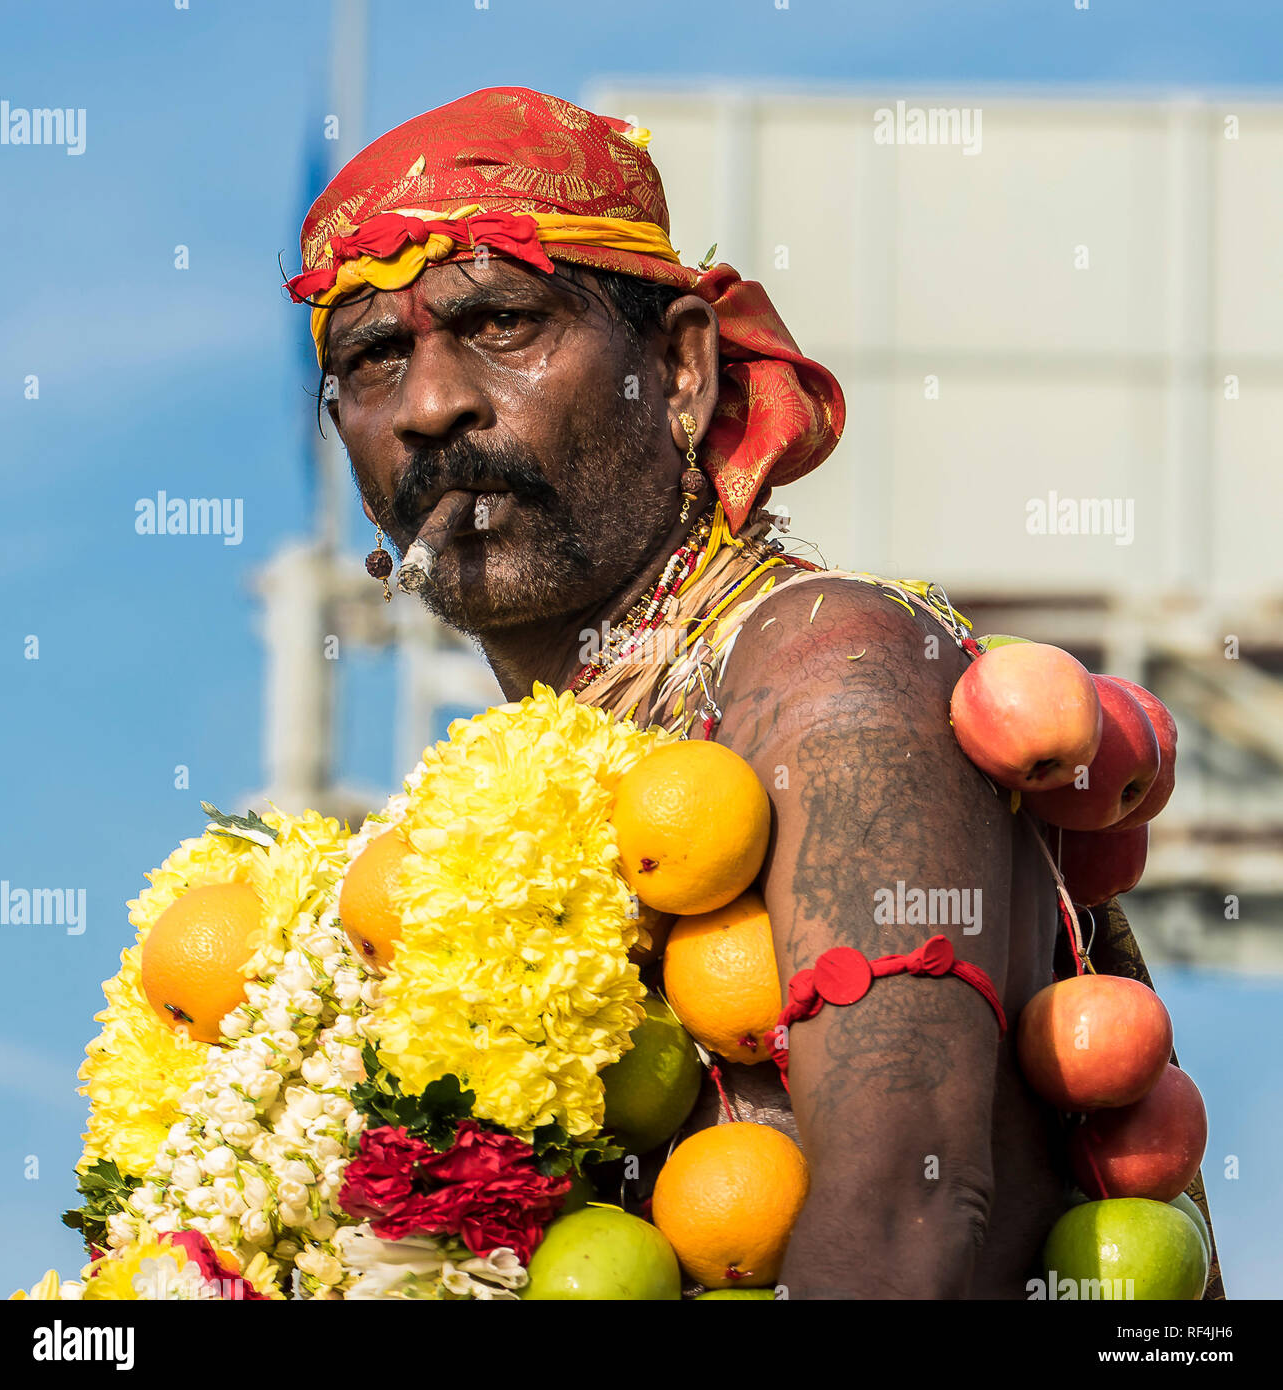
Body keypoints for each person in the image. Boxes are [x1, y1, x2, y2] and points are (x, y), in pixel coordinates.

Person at [287, 85, 1223, 1300]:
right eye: (372, 357)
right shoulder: (504, 800)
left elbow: (907, 1209)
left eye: (502, 322)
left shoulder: (829, 665)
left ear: (678, 369)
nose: (429, 406)